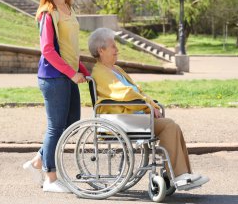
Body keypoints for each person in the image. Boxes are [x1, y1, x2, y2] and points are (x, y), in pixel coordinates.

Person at [88, 28, 209, 190]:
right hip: (121, 121)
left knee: (172, 126)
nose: (117, 50)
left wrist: (152, 105)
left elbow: (137, 91)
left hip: (131, 118)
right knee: (168, 126)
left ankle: (179, 174)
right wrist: (148, 107)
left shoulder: (115, 69)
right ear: (101, 50)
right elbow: (126, 94)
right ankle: (177, 175)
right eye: (113, 46)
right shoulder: (101, 72)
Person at [22, 0, 90, 193]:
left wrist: (83, 69)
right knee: (55, 127)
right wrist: (72, 73)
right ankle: (50, 178)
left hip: (68, 76)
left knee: (70, 123)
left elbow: (70, 48)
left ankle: (37, 162)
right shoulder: (47, 12)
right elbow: (48, 50)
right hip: (53, 77)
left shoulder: (69, 9)